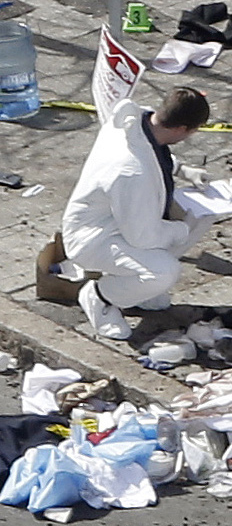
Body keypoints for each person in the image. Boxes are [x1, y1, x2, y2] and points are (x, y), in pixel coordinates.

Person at [61, 87, 213, 341]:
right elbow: (142, 237)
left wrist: (183, 169)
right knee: (163, 271)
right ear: (181, 129)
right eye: (193, 131)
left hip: (117, 220)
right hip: (93, 239)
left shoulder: (136, 123)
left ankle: (137, 290)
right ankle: (100, 297)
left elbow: (154, 153)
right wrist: (182, 228)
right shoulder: (132, 172)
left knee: (199, 218)